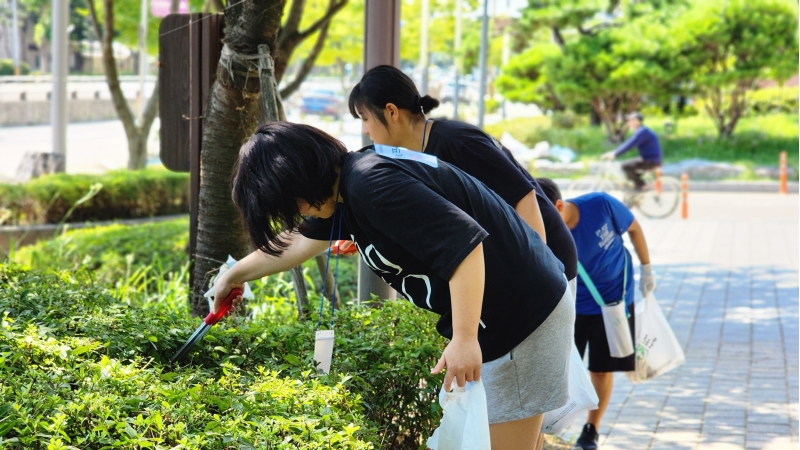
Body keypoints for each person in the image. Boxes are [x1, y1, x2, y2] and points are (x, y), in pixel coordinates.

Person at [214, 122, 575, 450]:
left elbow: (466, 248)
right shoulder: (350, 185)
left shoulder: (372, 184)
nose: (299, 211)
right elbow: (299, 241)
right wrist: (231, 276)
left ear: (303, 176)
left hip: (522, 319)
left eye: (292, 201)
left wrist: (464, 338)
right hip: (512, 314)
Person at [347, 64, 578, 289]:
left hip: (549, 260)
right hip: (514, 261)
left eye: (365, 119)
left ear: (391, 111)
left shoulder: (458, 142)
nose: (365, 131)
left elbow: (524, 195)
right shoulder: (411, 155)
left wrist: (539, 270)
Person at [536, 178, 656, 450]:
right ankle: (551, 425)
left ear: (558, 205)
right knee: (561, 368)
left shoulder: (601, 205)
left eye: (543, 212)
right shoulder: (543, 231)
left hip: (612, 305)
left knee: (601, 369)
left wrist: (647, 270)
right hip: (570, 308)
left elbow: (635, 229)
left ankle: (591, 429)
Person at [601, 112, 662, 191]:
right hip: (649, 158)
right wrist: (616, 152)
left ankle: (642, 186)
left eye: (631, 120)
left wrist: (615, 153)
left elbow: (630, 144)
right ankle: (637, 190)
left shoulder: (642, 132)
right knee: (629, 168)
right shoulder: (642, 131)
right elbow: (629, 143)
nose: (628, 122)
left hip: (650, 160)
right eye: (628, 120)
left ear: (637, 121)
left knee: (625, 166)